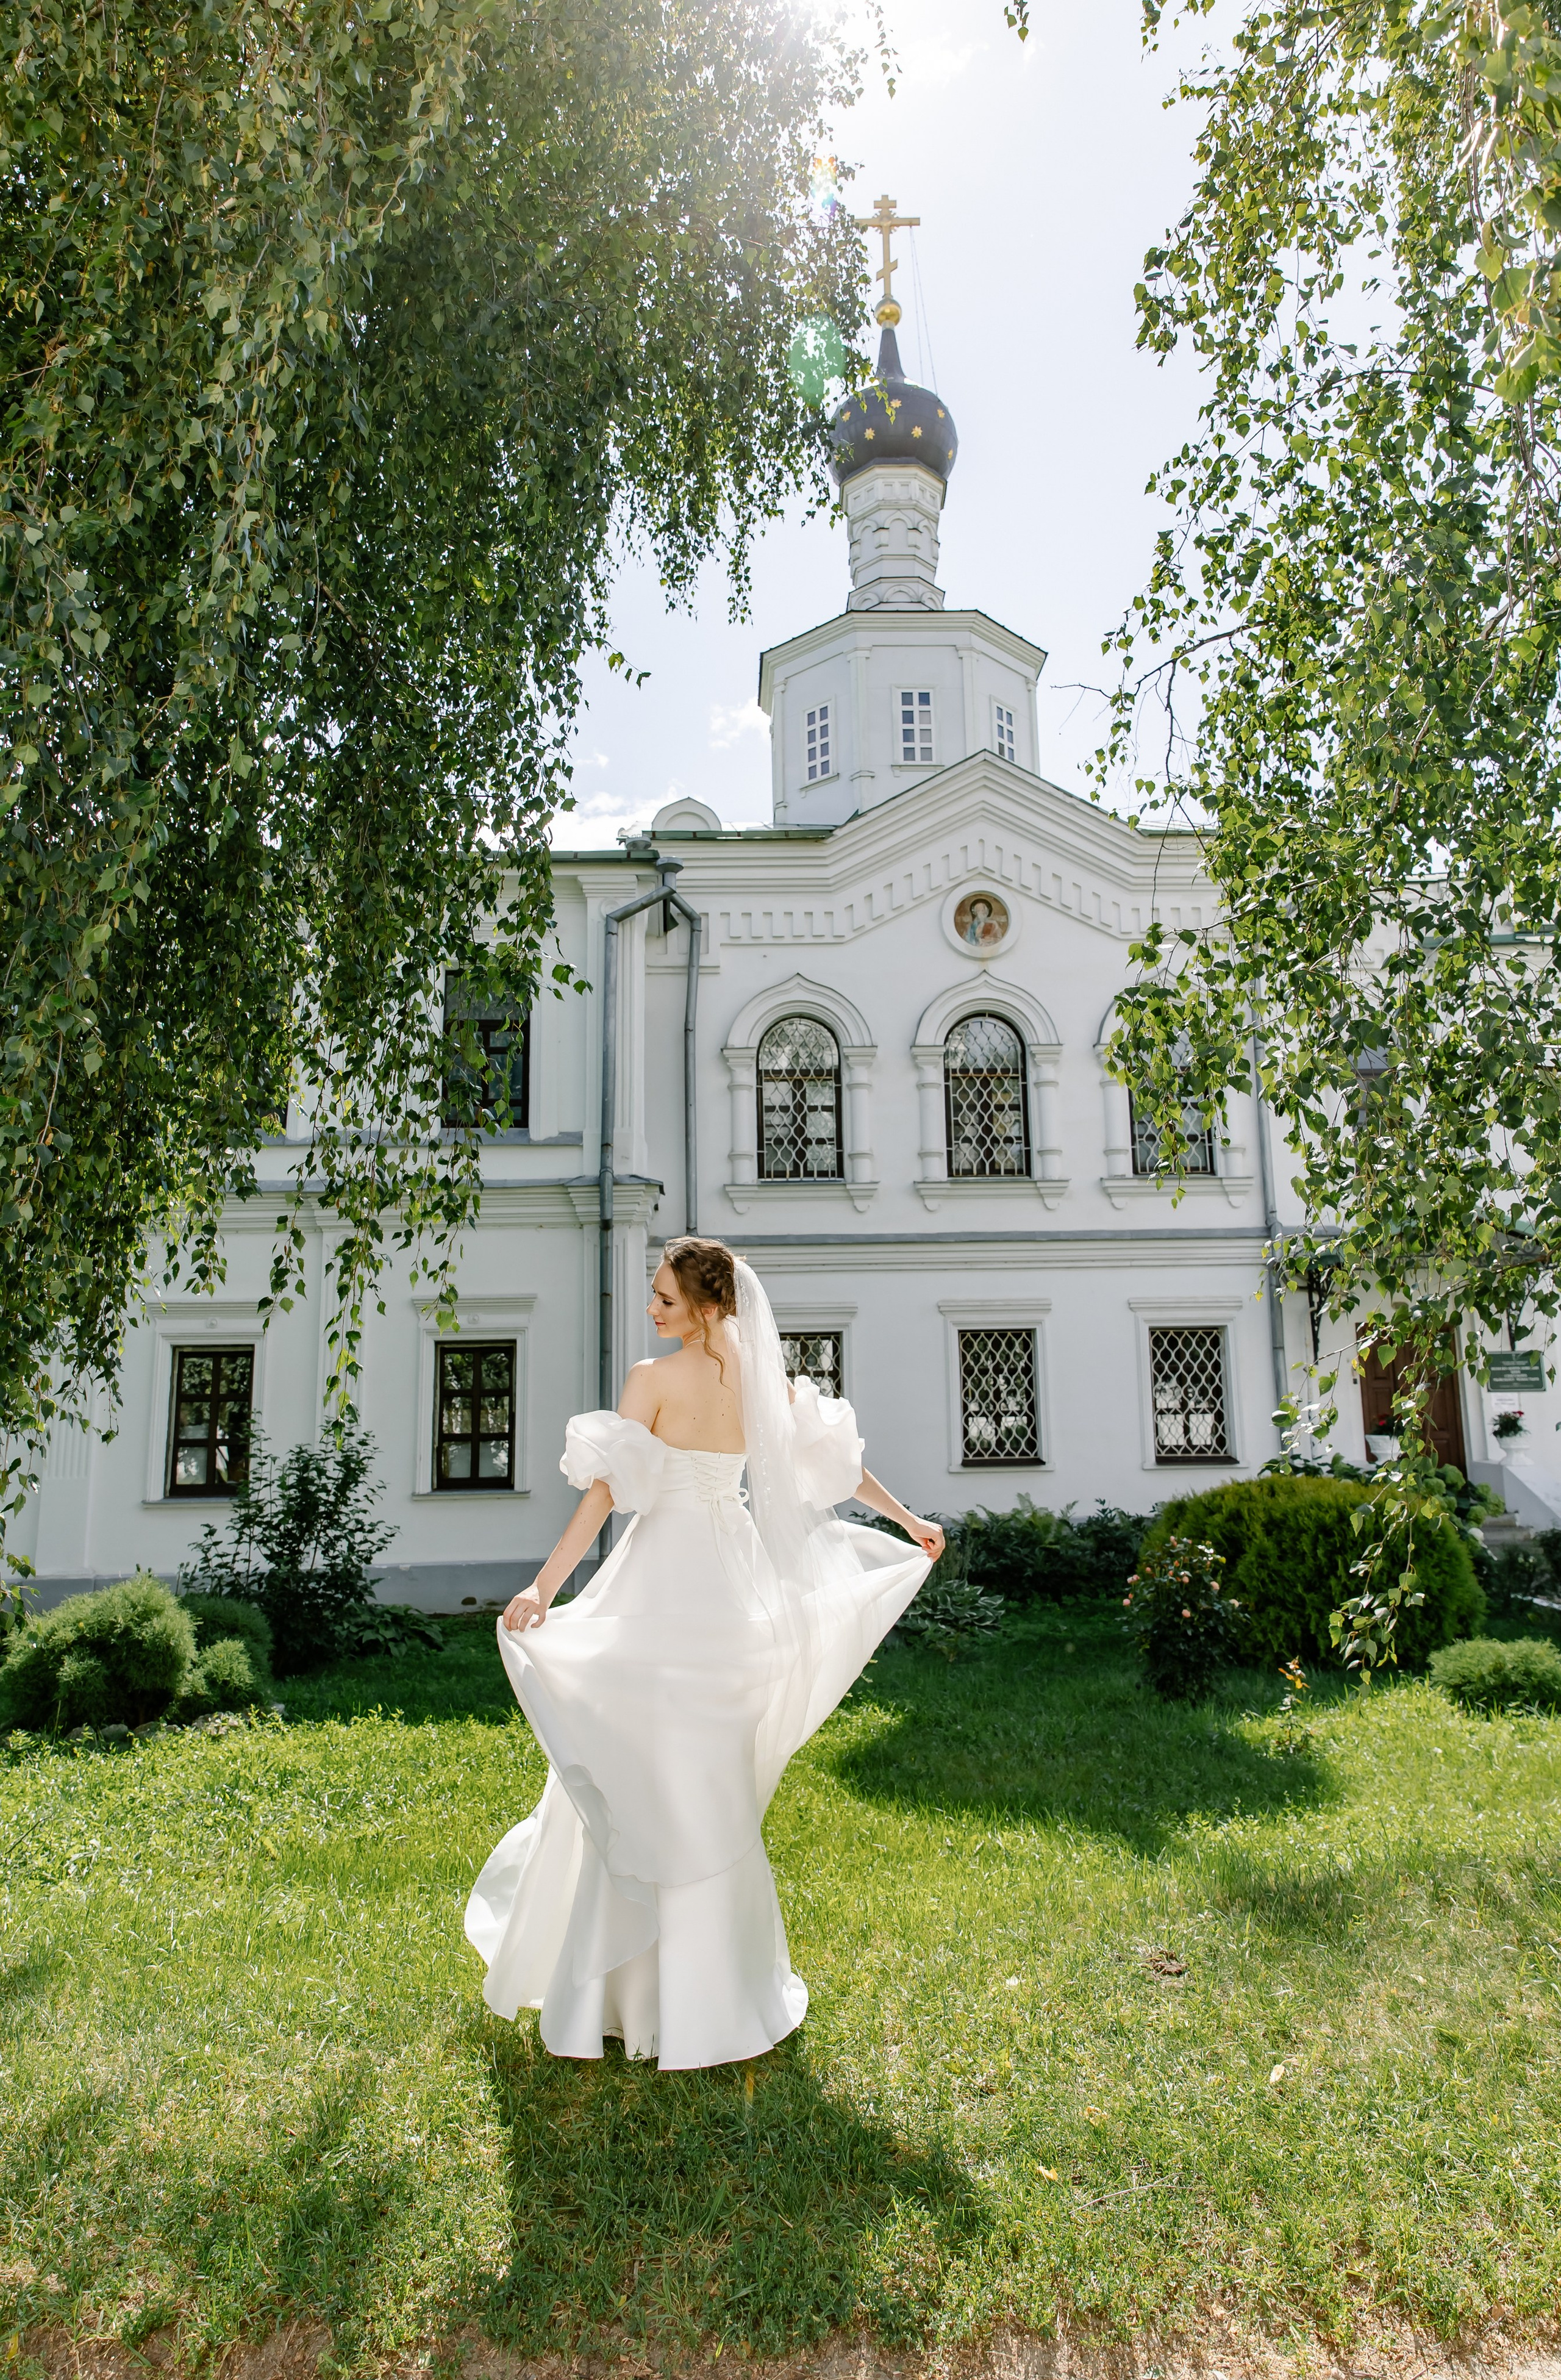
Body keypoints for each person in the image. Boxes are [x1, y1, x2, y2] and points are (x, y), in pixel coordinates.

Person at [465, 1235, 943, 2071]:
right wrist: (907, 1519)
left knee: (659, 1768)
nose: (651, 1309)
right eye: (654, 1294)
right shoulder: (760, 1383)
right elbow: (834, 1468)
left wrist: (544, 1585)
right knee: (694, 1774)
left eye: (666, 1299)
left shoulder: (653, 1381)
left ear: (710, 1305)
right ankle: (696, 1998)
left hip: (673, 1580)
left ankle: (641, 1998)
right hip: (723, 1582)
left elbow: (607, 1497)